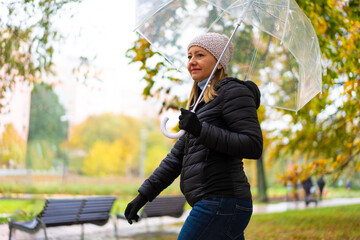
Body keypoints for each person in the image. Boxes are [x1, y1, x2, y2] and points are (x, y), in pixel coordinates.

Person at [124, 33, 263, 240]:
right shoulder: (200, 103)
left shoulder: (233, 92)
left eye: (200, 55)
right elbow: (176, 158)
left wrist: (200, 129)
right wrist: (143, 196)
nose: (192, 61)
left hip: (221, 202)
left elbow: (253, 145)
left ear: (218, 62)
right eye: (189, 56)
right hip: (218, 204)